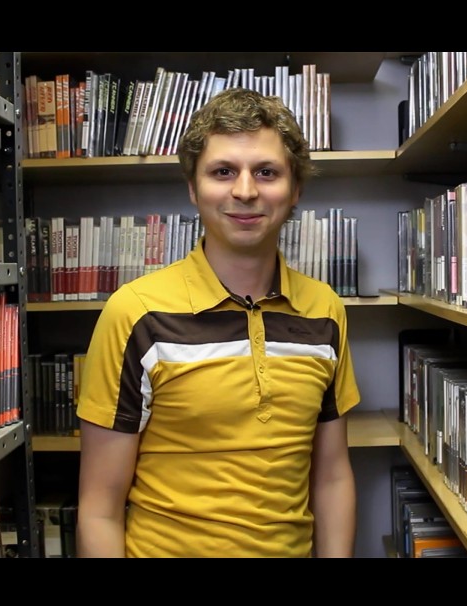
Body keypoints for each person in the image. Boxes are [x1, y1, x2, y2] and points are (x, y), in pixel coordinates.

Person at [75, 87, 361, 558]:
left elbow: (331, 478)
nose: (245, 191)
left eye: (266, 172)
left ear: (295, 189)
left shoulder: (324, 311)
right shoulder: (135, 313)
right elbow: (99, 509)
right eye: (223, 171)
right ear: (193, 188)